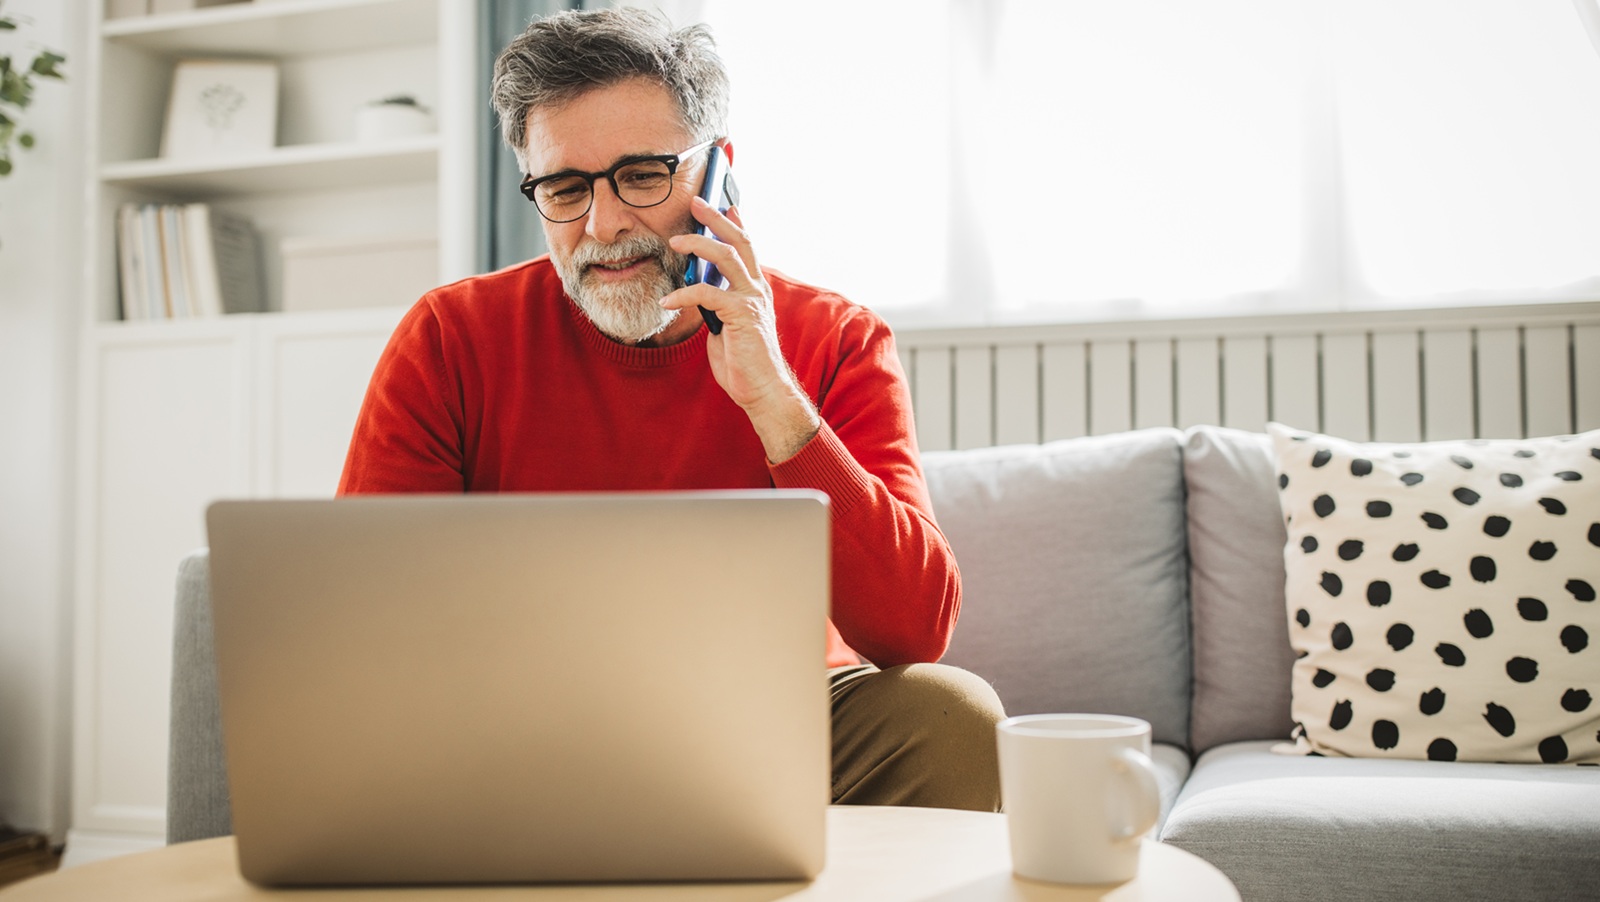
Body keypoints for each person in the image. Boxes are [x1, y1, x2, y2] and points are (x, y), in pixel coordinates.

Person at [338, 7, 1003, 811]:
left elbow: (914, 630)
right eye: (565, 187)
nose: (605, 223)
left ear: (718, 170)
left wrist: (775, 402)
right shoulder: (448, 338)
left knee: (953, 717)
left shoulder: (835, 338)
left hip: (772, 725)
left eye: (643, 175)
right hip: (524, 734)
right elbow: (368, 622)